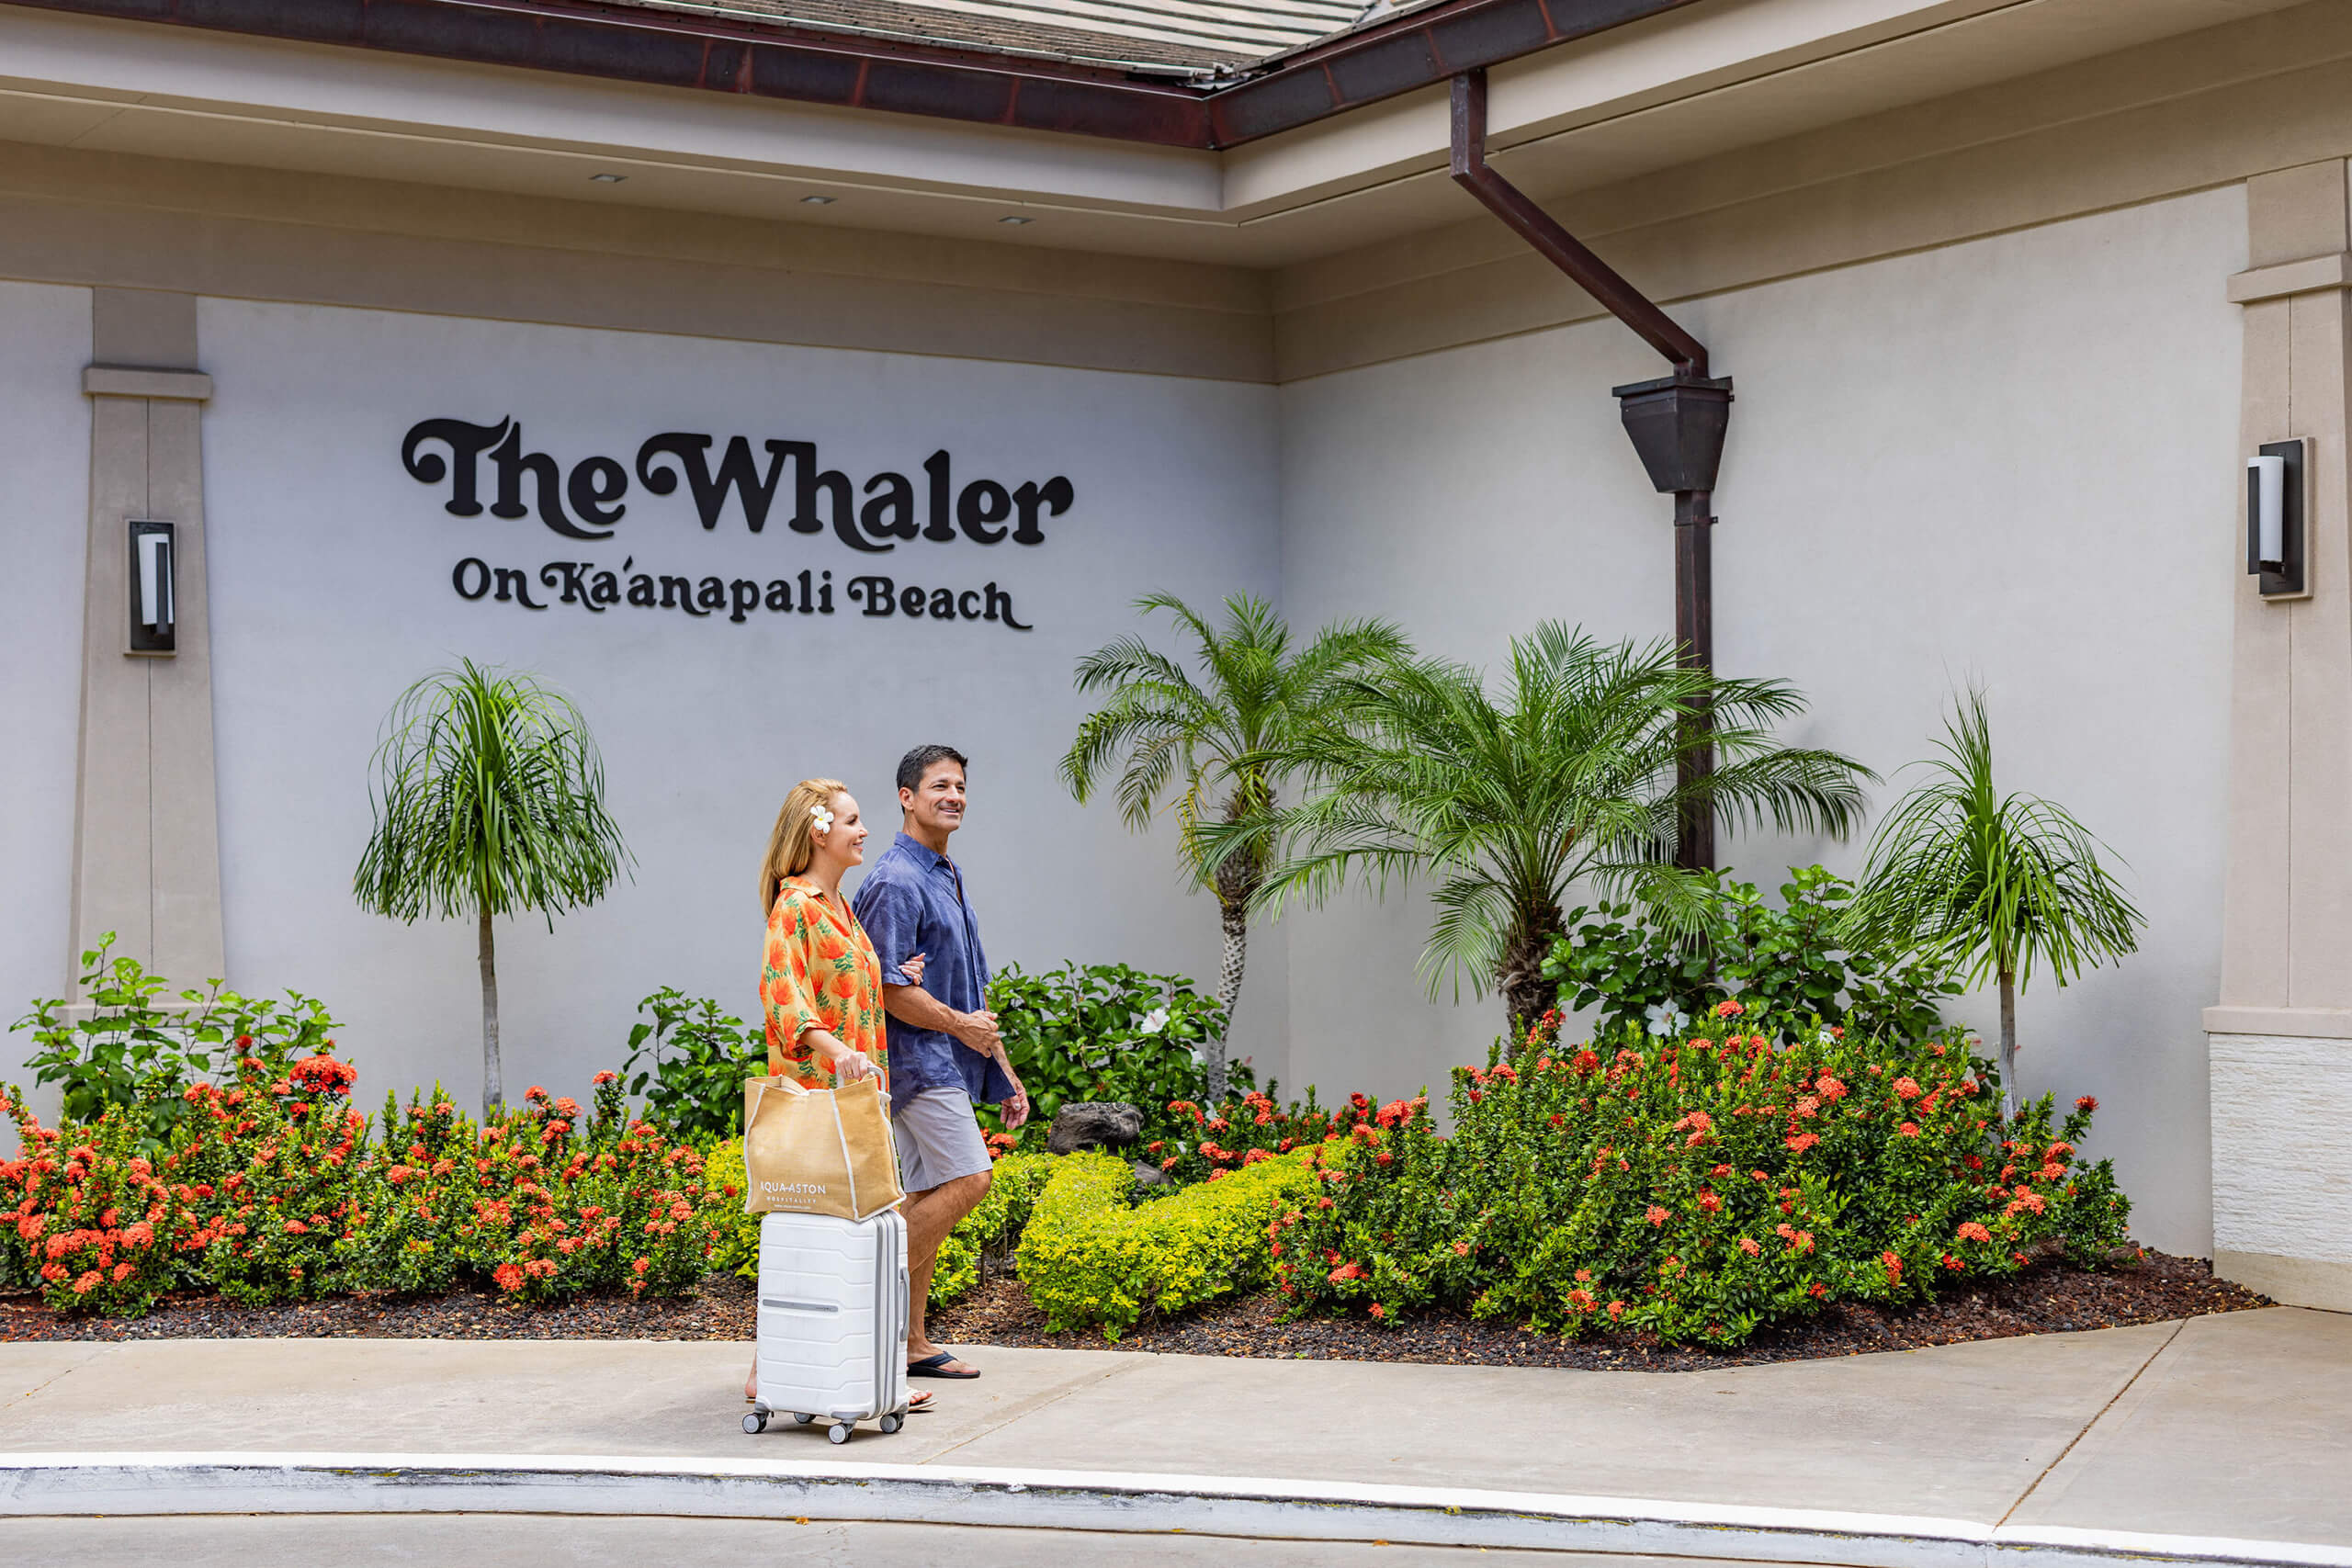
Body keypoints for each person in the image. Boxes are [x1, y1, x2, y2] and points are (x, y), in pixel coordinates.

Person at [745, 777, 931, 1410]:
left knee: (842, 1232)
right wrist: (837, 1051)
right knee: (814, 1231)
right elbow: (781, 992)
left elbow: (843, 980)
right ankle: (775, 1369)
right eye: (853, 820)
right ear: (820, 830)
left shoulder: (839, 906)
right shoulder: (794, 905)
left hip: (855, 1097)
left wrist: (895, 973)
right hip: (821, 1092)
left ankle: (860, 1373)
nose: (864, 830)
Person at [854, 745, 1030, 1381]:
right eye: (939, 785)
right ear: (906, 795)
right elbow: (890, 990)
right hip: (915, 1063)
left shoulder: (944, 871)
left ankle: (911, 1341)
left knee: (931, 1189)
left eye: (960, 785)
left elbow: (967, 986)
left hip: (949, 1058)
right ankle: (856, 1286)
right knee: (970, 1179)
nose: (953, 795)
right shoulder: (895, 880)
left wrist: (1000, 1064)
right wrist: (960, 1027)